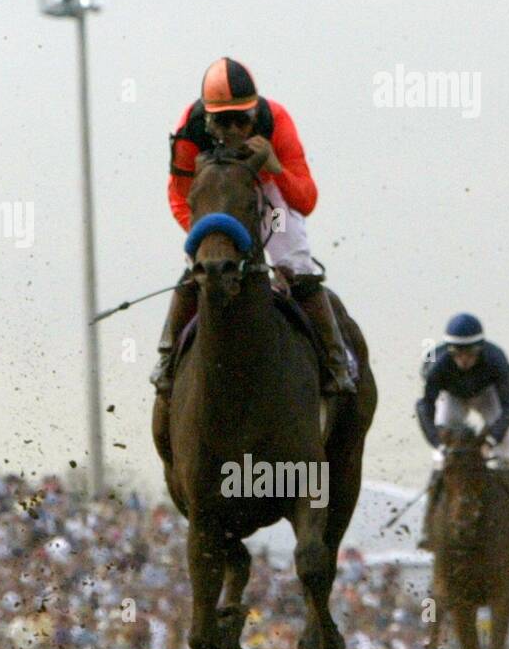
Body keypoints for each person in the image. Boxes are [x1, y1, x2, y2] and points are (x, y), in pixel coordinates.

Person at [152, 57, 356, 395]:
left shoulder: (276, 120)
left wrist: (275, 166)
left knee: (293, 262)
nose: (233, 130)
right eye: (223, 121)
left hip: (268, 198)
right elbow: (180, 197)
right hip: (215, 199)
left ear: (255, 110)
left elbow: (305, 200)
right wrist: (207, 238)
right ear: (207, 118)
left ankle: (336, 362)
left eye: (242, 119)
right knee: (197, 268)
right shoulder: (189, 130)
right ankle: (167, 358)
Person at [416, 312, 509, 546]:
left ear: (480, 349)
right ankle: (428, 526)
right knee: (439, 459)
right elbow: (424, 407)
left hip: (488, 395)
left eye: (470, 354)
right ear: (450, 350)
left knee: (508, 453)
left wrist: (492, 441)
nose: (464, 360)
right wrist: (439, 443)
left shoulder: (496, 361)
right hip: (453, 398)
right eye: (458, 354)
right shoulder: (436, 365)